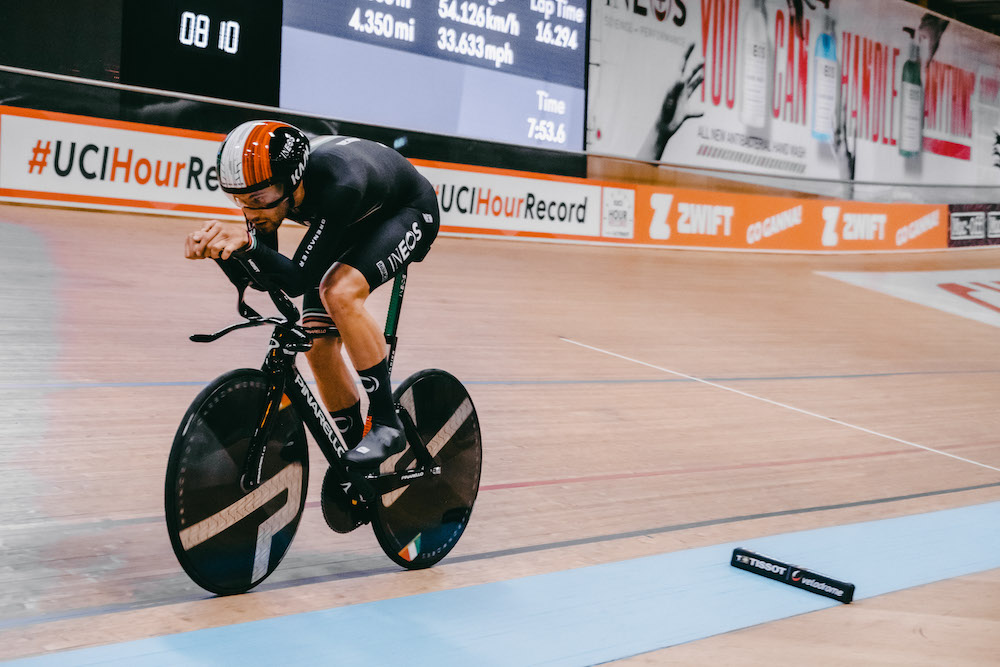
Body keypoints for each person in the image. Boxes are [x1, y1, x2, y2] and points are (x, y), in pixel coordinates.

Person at [184, 120, 439, 468]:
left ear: (292, 180)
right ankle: (356, 460)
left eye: (257, 199)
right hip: (352, 217)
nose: (250, 212)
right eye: (239, 200)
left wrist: (248, 245)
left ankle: (386, 423)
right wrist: (225, 253)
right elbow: (266, 279)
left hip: (405, 210)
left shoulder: (340, 183)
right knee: (317, 343)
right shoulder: (267, 192)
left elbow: (297, 281)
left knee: (339, 292)